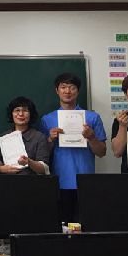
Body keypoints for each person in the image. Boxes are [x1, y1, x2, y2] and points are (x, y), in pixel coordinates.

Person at [40, 73, 106, 223]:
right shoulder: (47, 119)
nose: (67, 91)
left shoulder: (92, 117)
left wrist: (92, 137)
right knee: (62, 226)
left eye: (72, 87)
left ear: (78, 91)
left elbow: (102, 152)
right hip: (58, 181)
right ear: (57, 90)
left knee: (84, 226)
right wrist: (50, 139)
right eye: (63, 87)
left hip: (85, 180)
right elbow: (42, 156)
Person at [0, 96, 50, 175]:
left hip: (32, 181)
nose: (21, 114)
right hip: (8, 181)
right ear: (11, 114)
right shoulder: (4, 137)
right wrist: (1, 169)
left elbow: (44, 169)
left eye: (25, 110)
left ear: (30, 114)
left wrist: (29, 162)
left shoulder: (39, 137)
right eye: (17, 110)